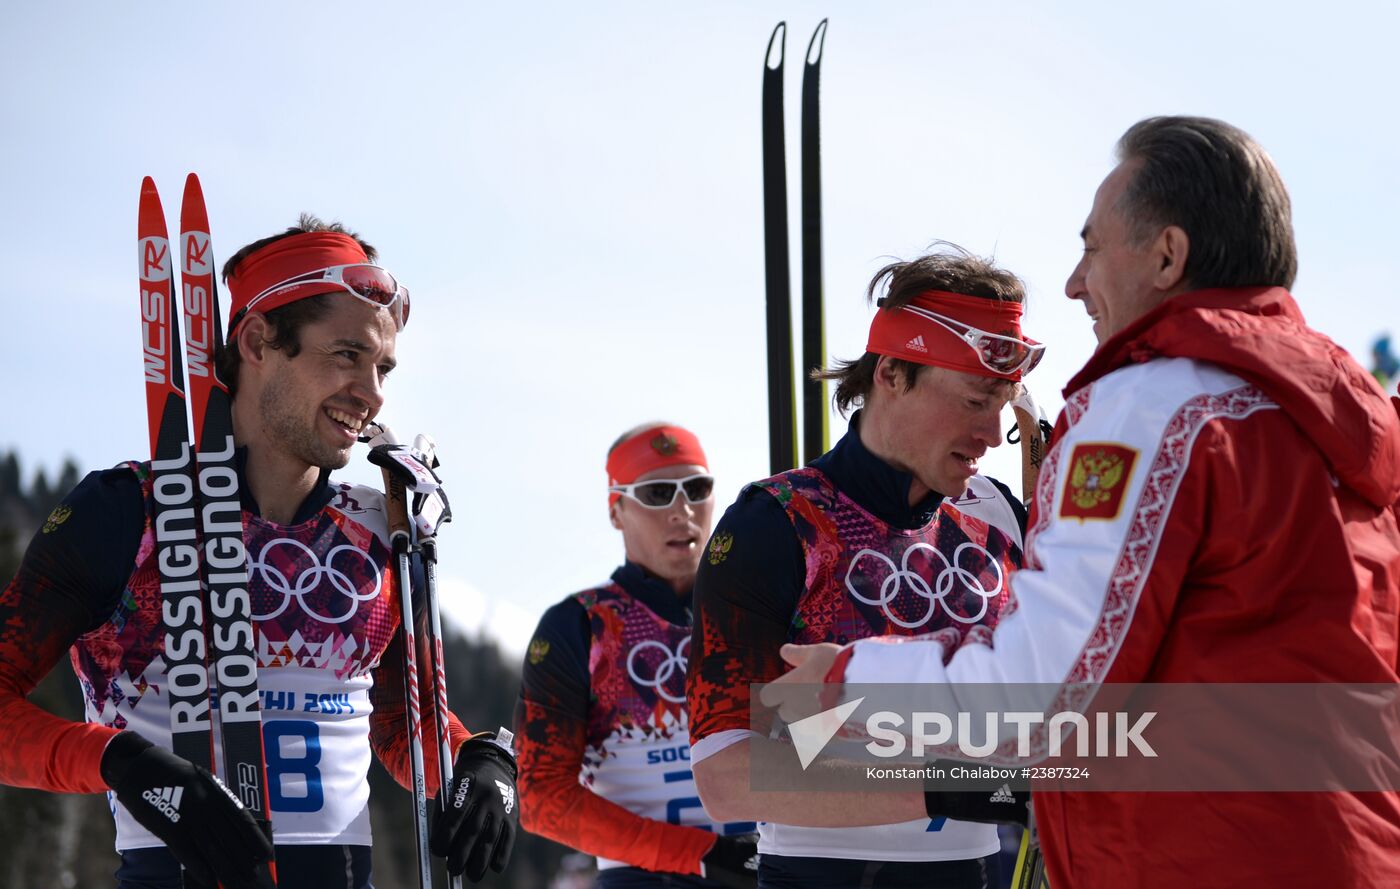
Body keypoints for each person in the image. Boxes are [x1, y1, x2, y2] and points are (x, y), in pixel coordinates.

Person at [763, 116, 1400, 887]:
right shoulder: (1340, 417)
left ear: (1167, 256)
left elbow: (1044, 694)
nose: (1073, 281)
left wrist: (849, 681)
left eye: (1092, 247)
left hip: (1204, 856)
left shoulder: (1152, 405)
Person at [0, 215, 518, 889]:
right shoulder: (125, 511)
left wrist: (479, 761)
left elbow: (399, 722)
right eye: (345, 355)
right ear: (256, 341)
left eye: (383, 366)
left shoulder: (380, 529)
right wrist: (119, 760)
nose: (373, 393)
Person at [687, 248, 1042, 889]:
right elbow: (727, 775)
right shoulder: (775, 523)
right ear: (892, 374)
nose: (993, 432)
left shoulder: (999, 515)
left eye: (1006, 402)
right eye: (973, 400)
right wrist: (952, 788)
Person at [516, 422, 759, 888]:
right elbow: (542, 799)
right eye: (656, 493)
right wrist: (701, 855)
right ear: (616, 511)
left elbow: (822, 746)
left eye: (697, 488)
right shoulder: (578, 624)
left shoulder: (763, 611)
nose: (682, 509)